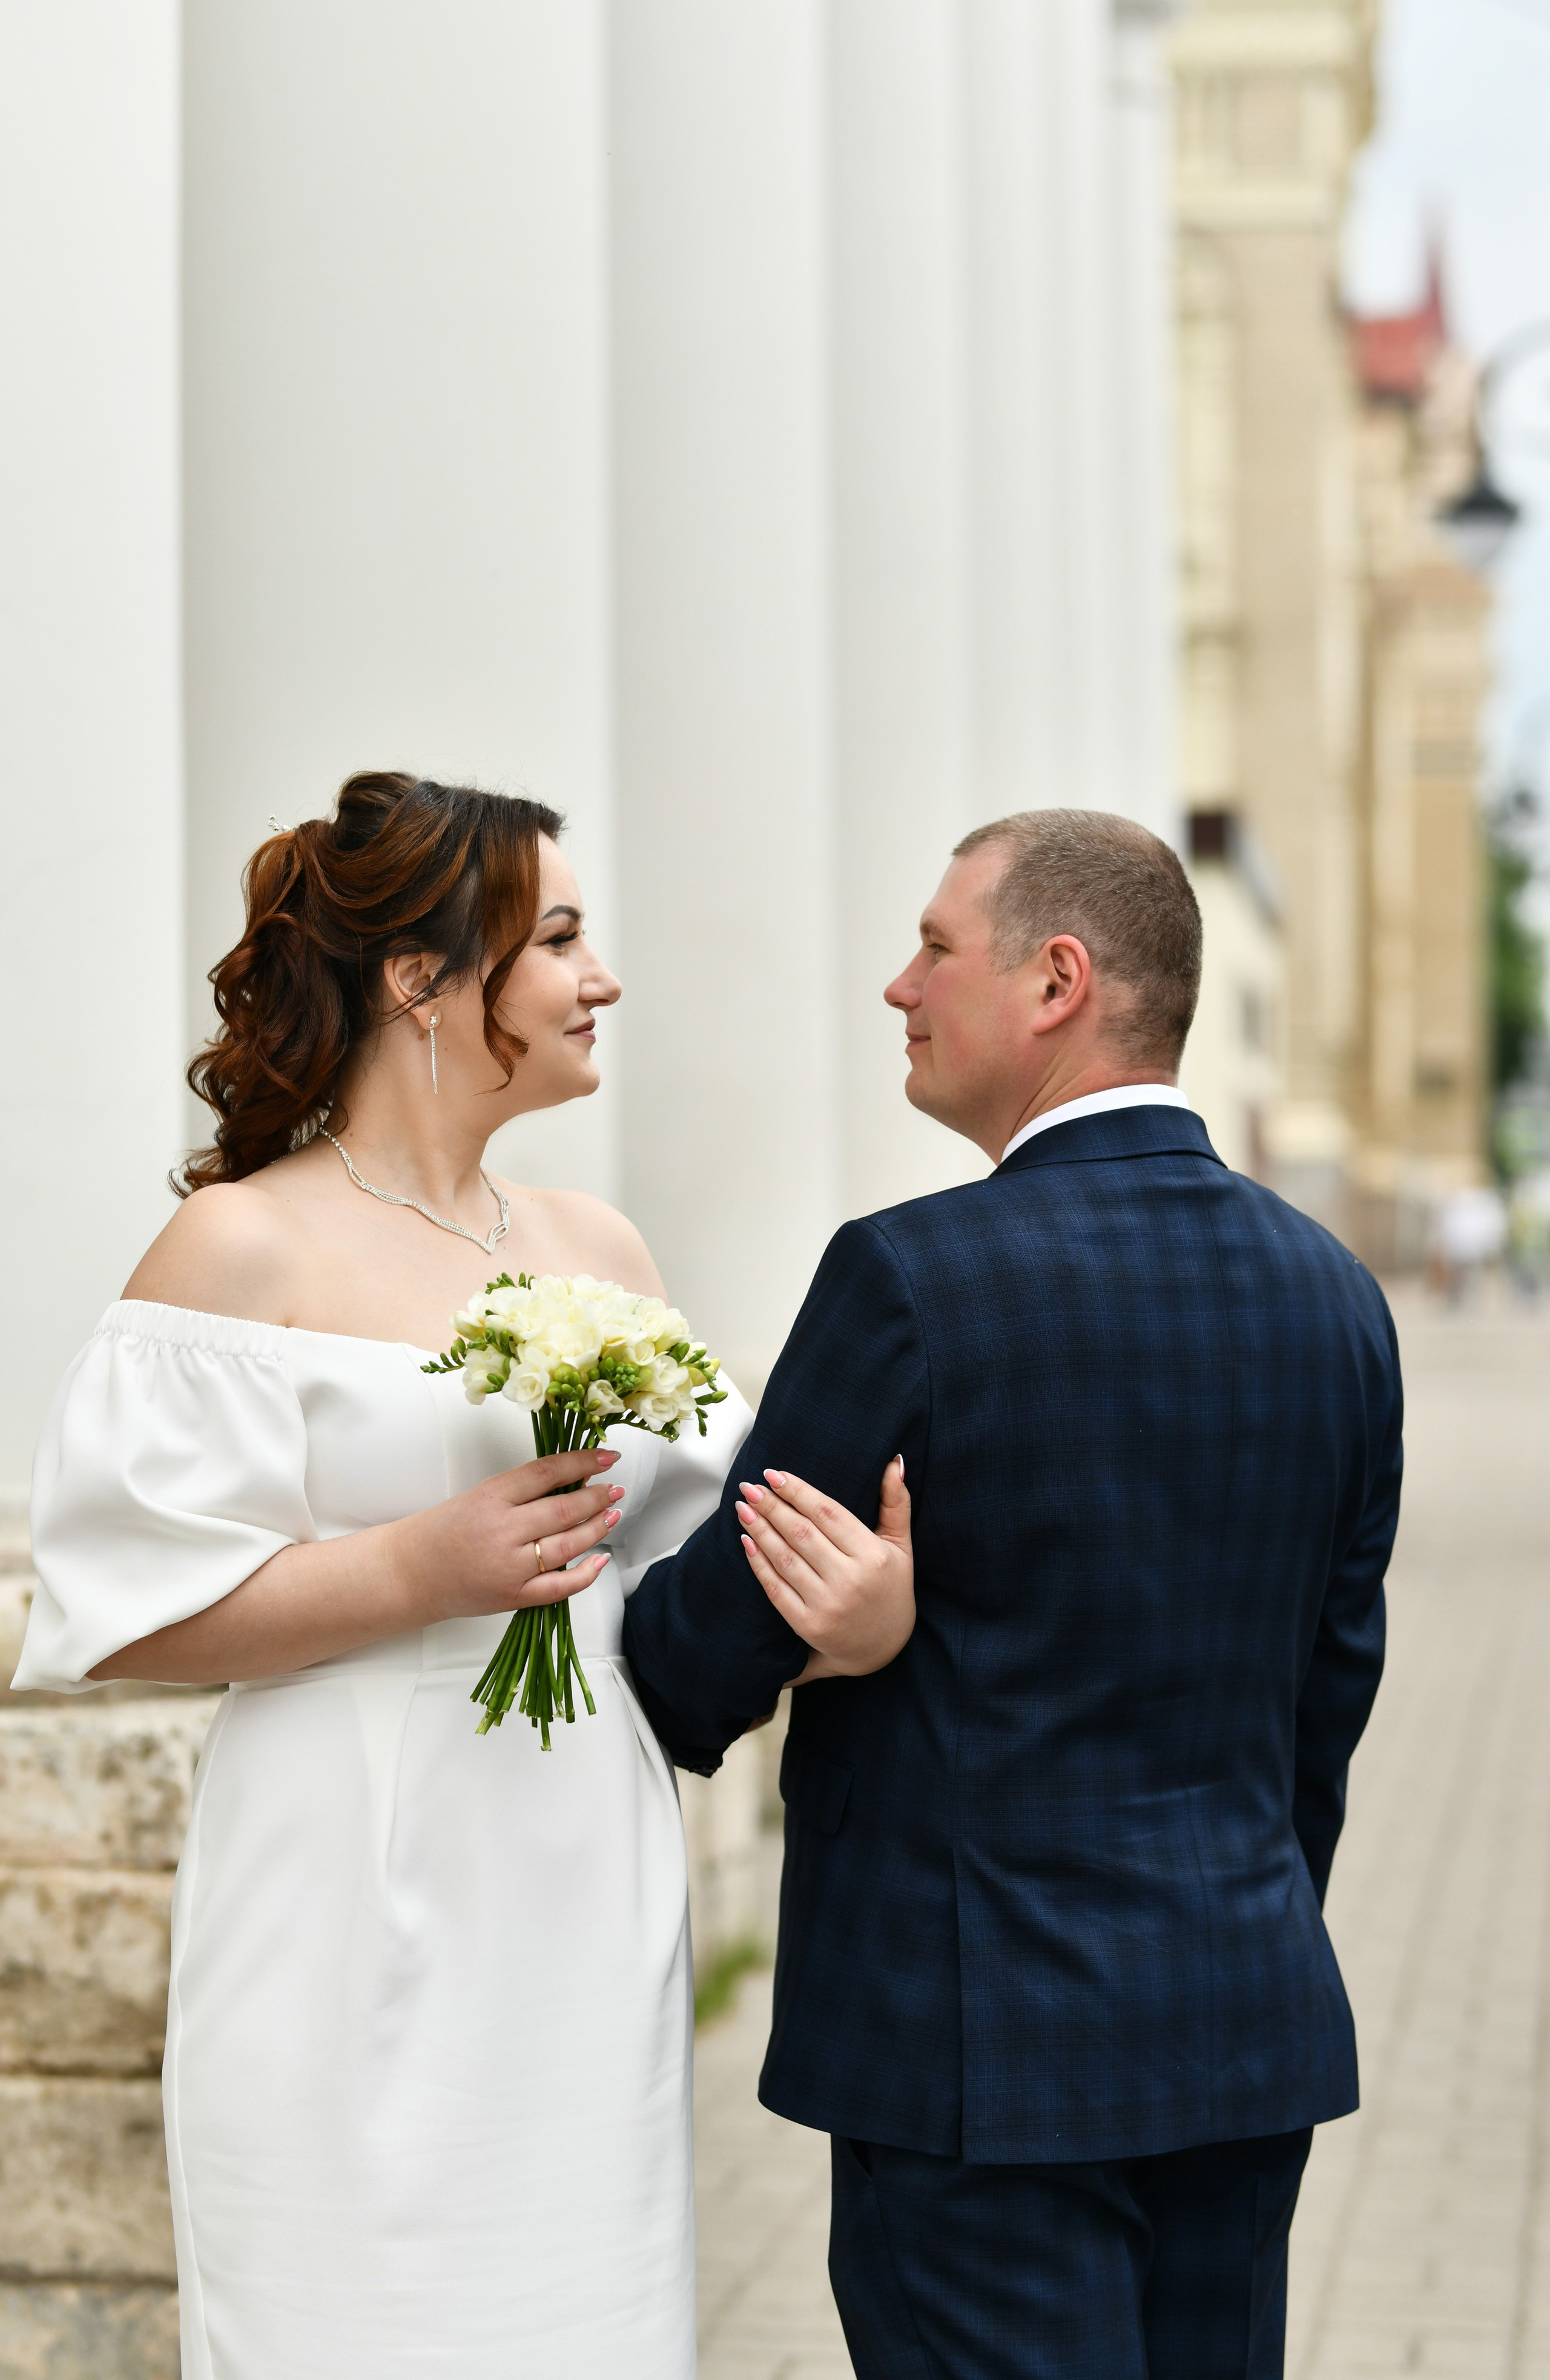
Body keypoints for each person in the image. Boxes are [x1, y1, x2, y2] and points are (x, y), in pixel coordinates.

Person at [12, 772, 903, 2380]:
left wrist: (855, 1623)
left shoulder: (598, 1247)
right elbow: (115, 1611)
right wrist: (417, 1566)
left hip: (578, 1879)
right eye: (557, 936)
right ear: (419, 978)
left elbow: (719, 1566)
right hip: (341, 1875)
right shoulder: (241, 1246)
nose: (600, 975)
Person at [623, 808, 1402, 2380]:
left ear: (1057, 979)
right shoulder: (1341, 1297)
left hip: (977, 2070)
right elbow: (1329, 1694)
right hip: (1242, 2033)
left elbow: (697, 1659)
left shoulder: (908, 1278)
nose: (897, 987)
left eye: (931, 945)